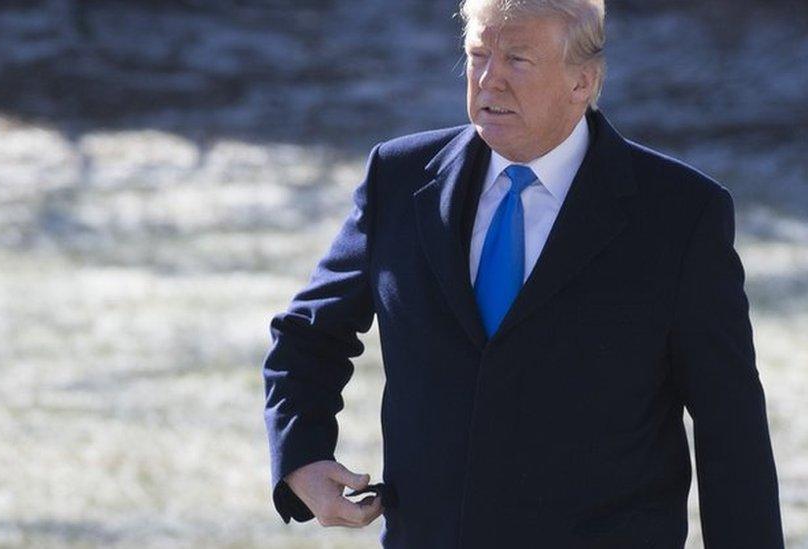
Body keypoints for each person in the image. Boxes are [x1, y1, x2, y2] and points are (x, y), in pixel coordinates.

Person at [261, 0, 785, 547]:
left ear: (583, 81)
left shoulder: (680, 216)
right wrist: (302, 458)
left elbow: (732, 432)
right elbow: (308, 336)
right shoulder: (398, 178)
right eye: (478, 55)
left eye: (517, 60)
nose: (490, 80)